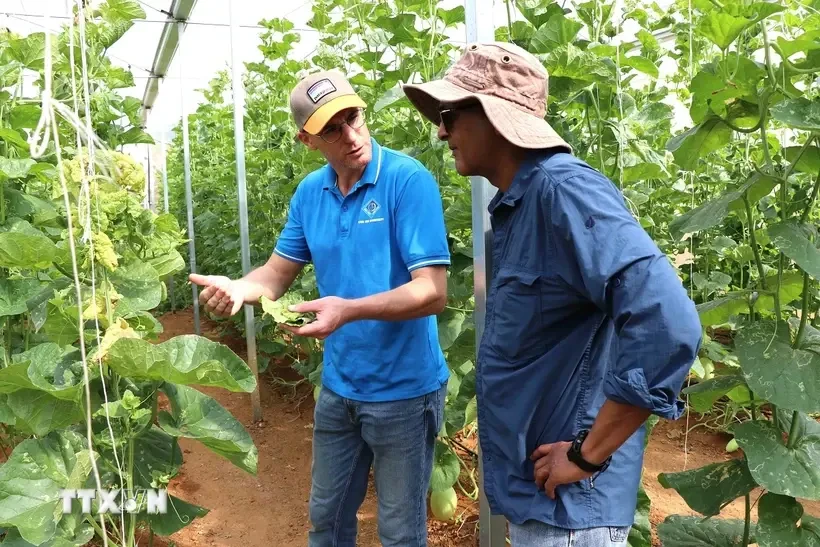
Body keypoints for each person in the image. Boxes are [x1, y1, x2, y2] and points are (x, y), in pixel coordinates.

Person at [402, 42, 702, 546]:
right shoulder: (520, 208)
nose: (441, 130)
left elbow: (668, 323)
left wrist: (587, 454)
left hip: (571, 514)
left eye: (451, 114)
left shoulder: (562, 192)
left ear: (496, 115)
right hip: (543, 503)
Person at [190, 70, 451, 547]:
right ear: (307, 140)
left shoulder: (406, 181)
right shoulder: (311, 193)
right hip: (339, 387)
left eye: (353, 117)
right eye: (332, 128)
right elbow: (274, 275)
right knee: (326, 521)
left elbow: (432, 291)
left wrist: (348, 310)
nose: (350, 135)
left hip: (405, 393)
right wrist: (238, 288)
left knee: (399, 532)